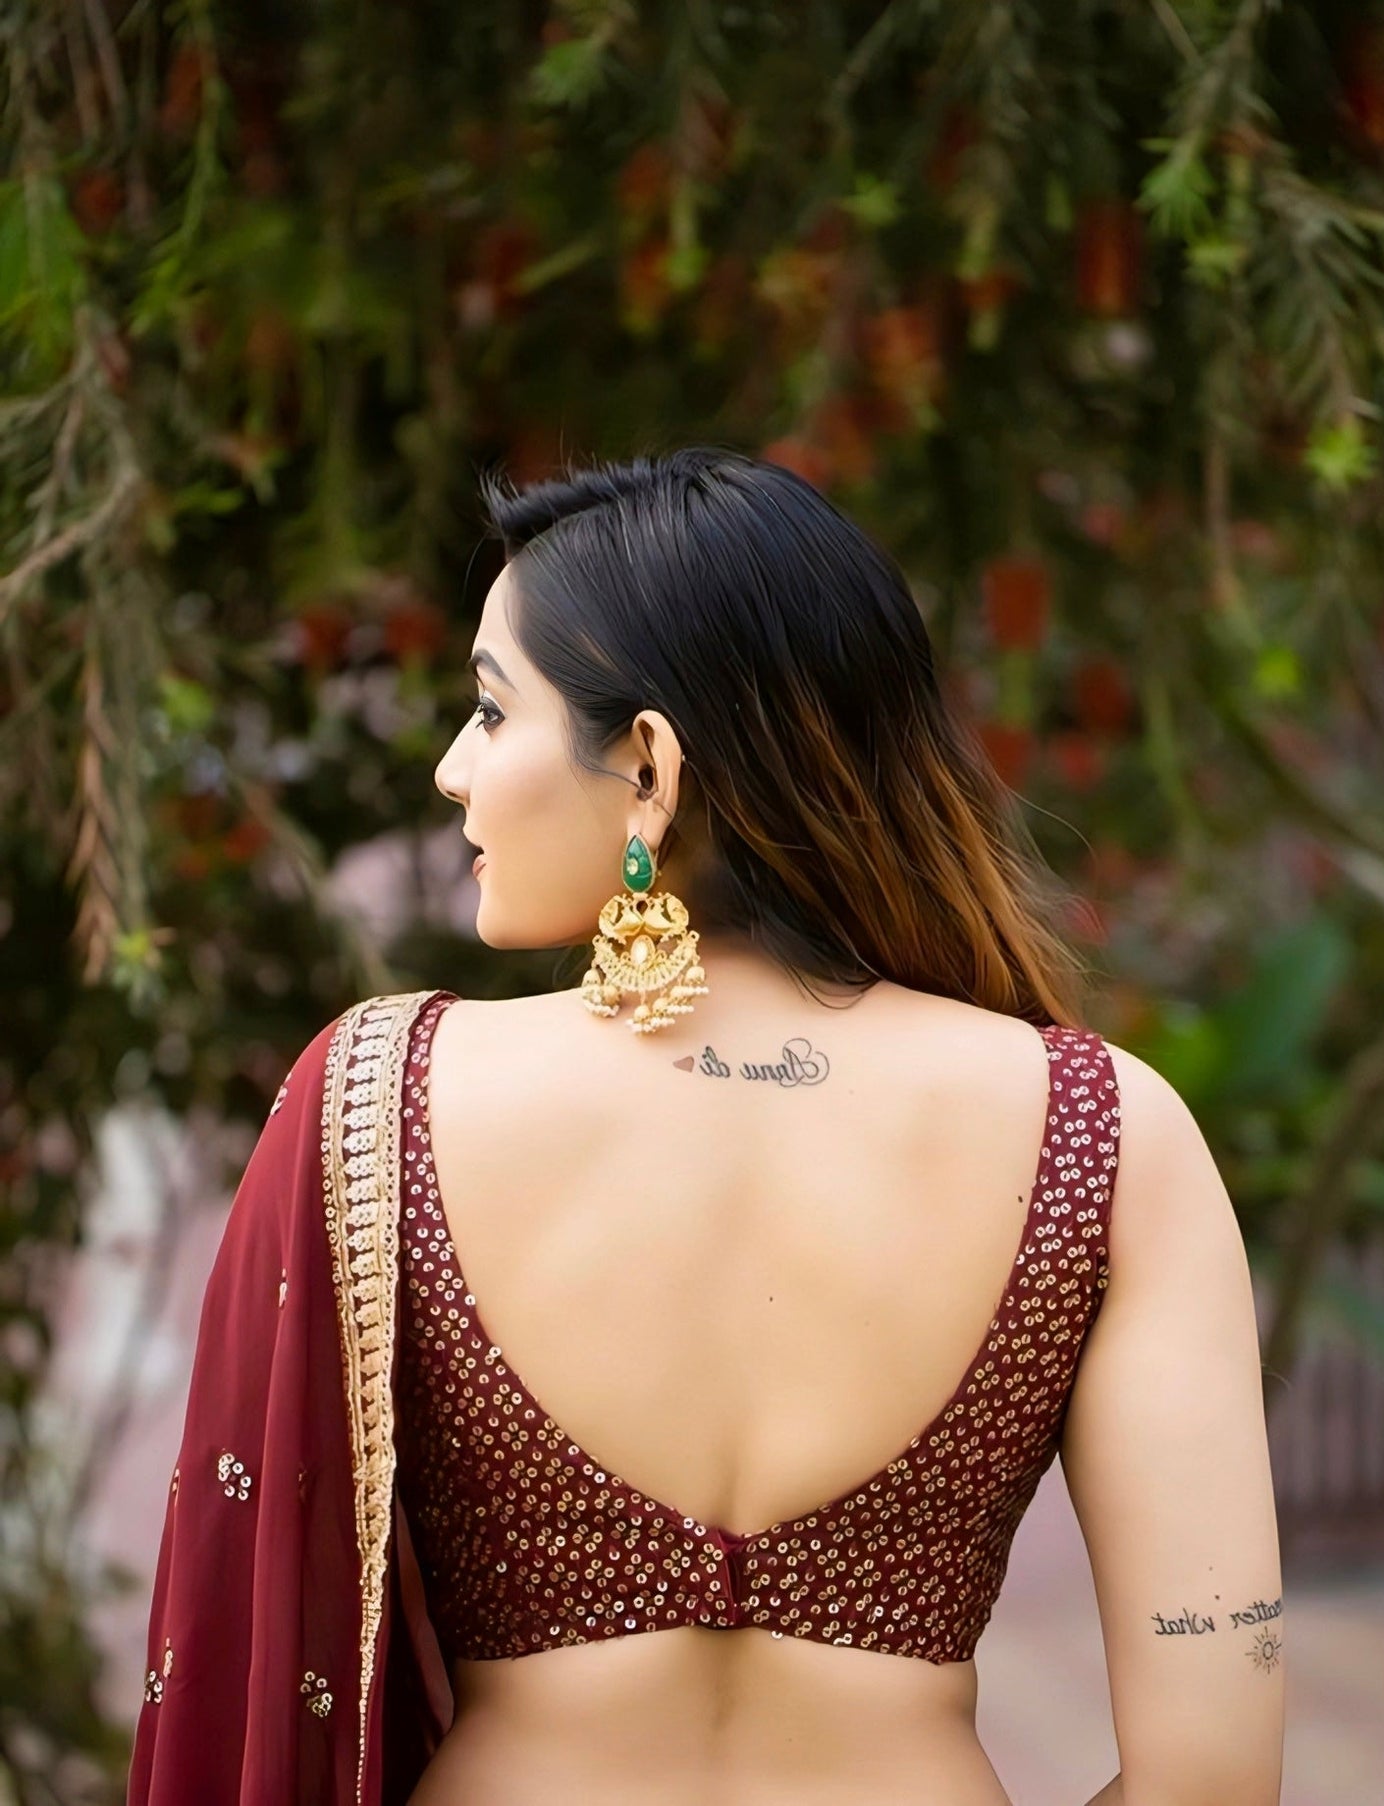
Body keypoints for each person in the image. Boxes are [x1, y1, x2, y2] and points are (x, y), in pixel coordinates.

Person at [125, 448, 1285, 1806]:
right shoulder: (1106, 1132)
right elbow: (1212, 1771)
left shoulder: (377, 1096)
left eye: (491, 711)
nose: (451, 769)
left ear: (647, 767)